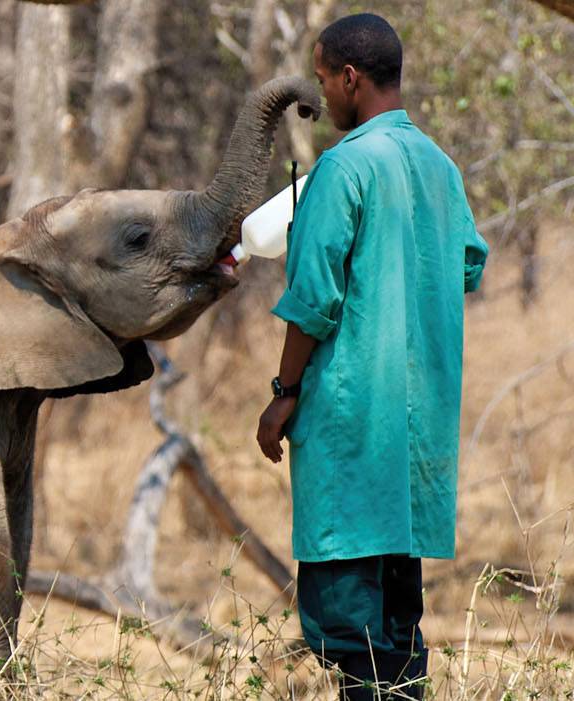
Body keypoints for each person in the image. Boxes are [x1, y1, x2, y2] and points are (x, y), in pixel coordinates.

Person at [255, 12, 489, 701]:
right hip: (417, 451)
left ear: (351, 78)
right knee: (398, 631)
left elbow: (313, 300)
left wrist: (282, 389)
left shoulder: (345, 166)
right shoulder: (439, 168)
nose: (325, 95)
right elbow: (467, 266)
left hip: (352, 432)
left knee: (350, 635)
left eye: (326, 79)